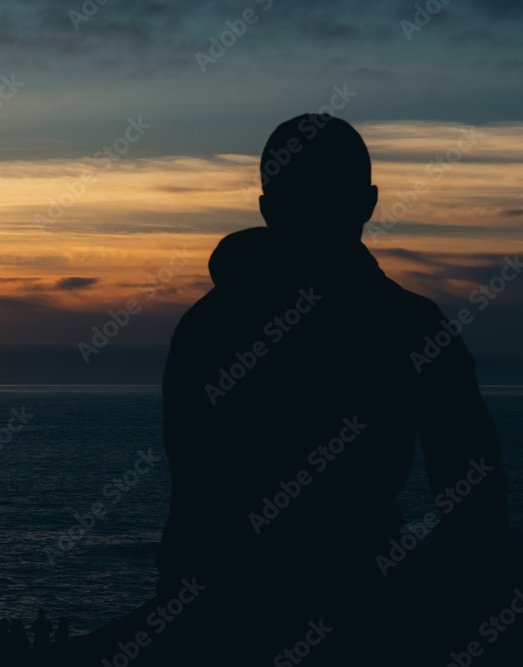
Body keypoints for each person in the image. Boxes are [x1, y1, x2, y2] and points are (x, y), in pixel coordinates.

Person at [150, 113, 510, 665]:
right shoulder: (413, 326)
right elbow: (472, 496)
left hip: (226, 616)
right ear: (368, 202)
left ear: (268, 207)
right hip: (370, 610)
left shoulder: (207, 327)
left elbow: (194, 499)